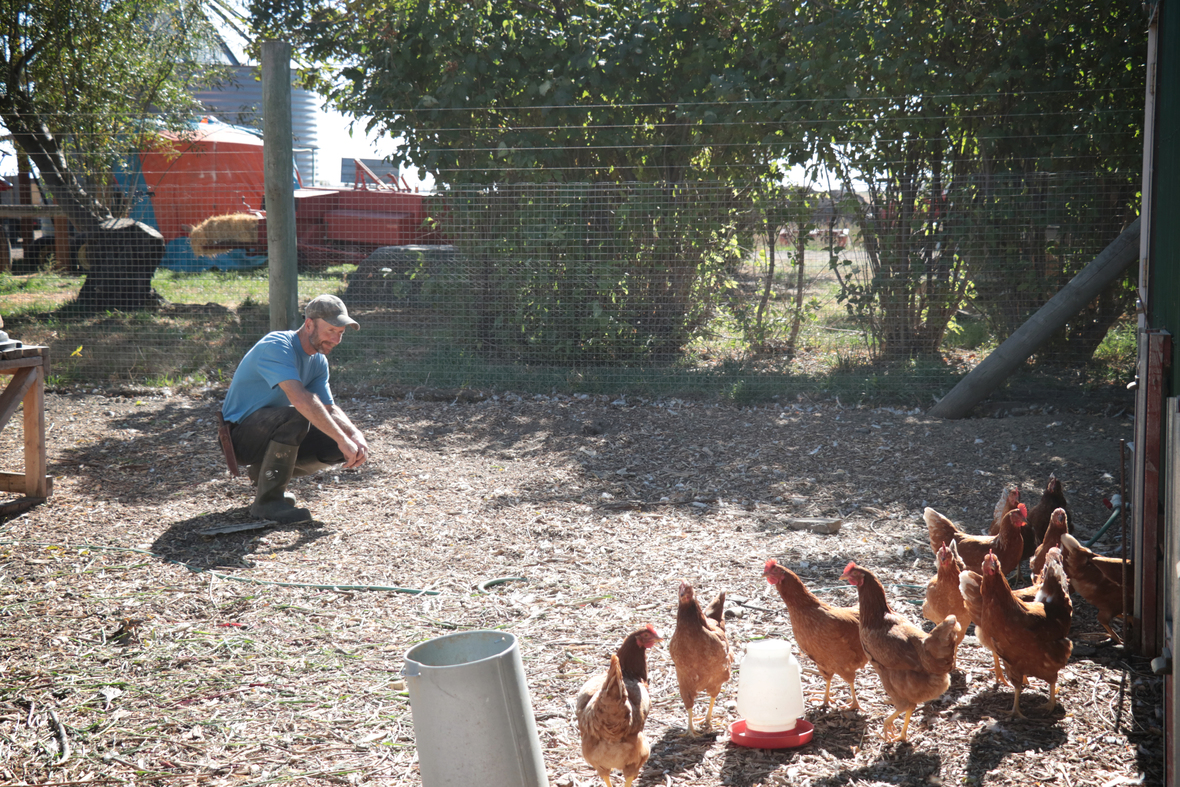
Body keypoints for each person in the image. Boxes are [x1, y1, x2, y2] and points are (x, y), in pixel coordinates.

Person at [221, 294, 369, 523]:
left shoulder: (318, 360)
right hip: (238, 438)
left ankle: (265, 475)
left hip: (269, 432)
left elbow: (328, 408)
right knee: (299, 416)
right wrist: (342, 437)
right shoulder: (277, 345)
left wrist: (353, 435)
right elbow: (301, 400)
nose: (336, 339)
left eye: (340, 332)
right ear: (309, 324)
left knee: (336, 445)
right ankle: (267, 504)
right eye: (331, 330)